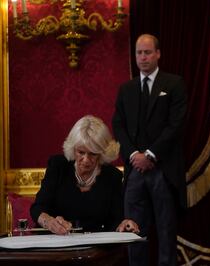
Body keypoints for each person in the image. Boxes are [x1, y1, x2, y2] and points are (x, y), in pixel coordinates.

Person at [112, 34, 187, 266]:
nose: (142, 57)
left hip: (163, 170)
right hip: (135, 171)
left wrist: (151, 155)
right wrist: (135, 155)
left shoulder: (174, 84)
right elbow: (118, 125)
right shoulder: (127, 89)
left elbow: (177, 125)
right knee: (134, 232)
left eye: (147, 52)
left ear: (158, 54)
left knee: (165, 233)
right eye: (138, 53)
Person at [30, 115, 139, 235]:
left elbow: (115, 221)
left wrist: (124, 224)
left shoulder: (112, 176)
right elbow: (37, 208)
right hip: (54, 243)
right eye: (81, 152)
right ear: (73, 149)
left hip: (93, 249)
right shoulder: (58, 166)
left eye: (93, 154)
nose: (86, 160)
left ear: (102, 153)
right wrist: (49, 222)